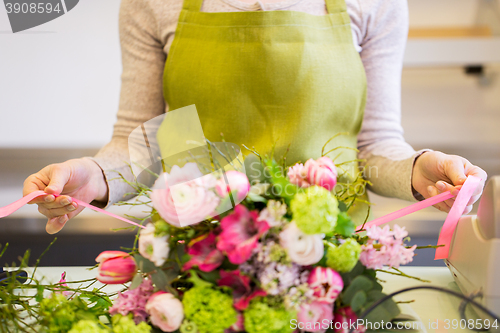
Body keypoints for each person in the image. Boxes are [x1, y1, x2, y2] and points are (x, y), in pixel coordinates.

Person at [23, 0, 486, 234]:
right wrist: (93, 175)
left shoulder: (377, 3)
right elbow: (139, 140)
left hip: (326, 263)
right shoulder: (152, 3)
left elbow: (373, 146)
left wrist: (418, 170)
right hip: (196, 257)